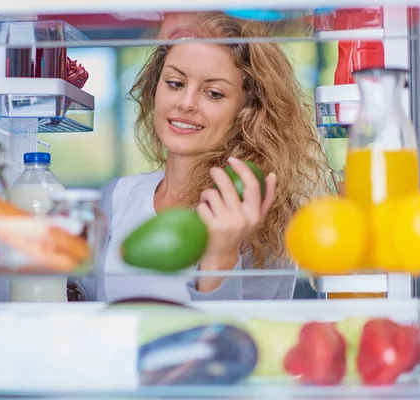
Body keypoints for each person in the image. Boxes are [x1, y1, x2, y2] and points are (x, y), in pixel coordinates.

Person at [76, 12, 330, 303]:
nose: (185, 103)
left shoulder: (259, 221)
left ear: (247, 110)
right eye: (175, 83)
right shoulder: (116, 197)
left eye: (213, 93)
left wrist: (221, 255)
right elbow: (82, 307)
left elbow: (242, 339)